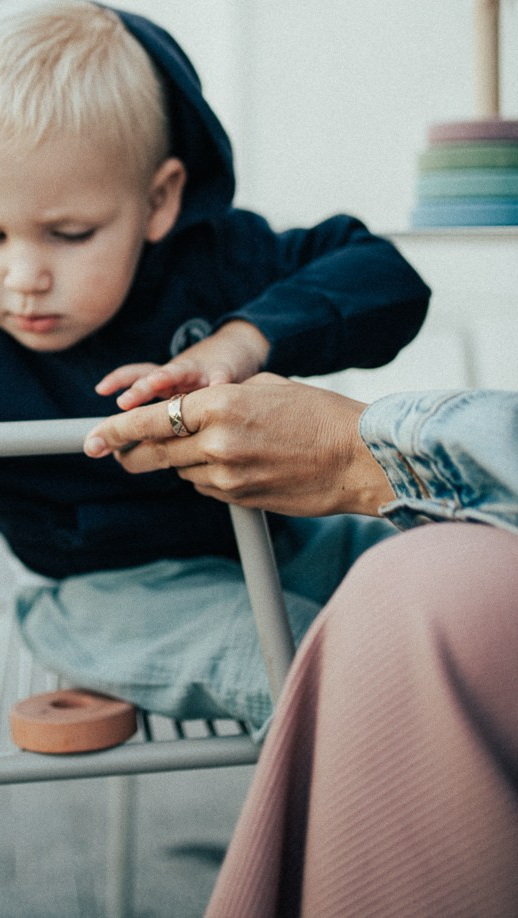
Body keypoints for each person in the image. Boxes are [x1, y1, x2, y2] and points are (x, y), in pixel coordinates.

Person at [0, 0, 430, 731]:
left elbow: (383, 279)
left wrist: (242, 341)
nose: (23, 274)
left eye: (70, 232)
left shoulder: (211, 261)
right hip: (101, 596)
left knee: (447, 568)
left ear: (159, 201)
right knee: (327, 671)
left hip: (278, 540)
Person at [84, 381, 518, 915]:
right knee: (360, 641)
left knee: (374, 630)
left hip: (285, 544)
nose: (27, 289)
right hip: (111, 583)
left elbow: (373, 299)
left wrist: (248, 337)